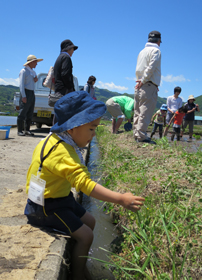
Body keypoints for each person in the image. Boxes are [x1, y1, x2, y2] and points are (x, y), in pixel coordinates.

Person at [24, 91, 145, 280]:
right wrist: (121, 199)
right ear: (72, 128)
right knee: (87, 236)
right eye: (91, 129)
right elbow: (85, 185)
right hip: (45, 206)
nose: (94, 134)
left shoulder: (58, 139)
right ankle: (78, 274)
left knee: (91, 221)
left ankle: (78, 257)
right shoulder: (63, 152)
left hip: (60, 196)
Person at [133, 31, 162, 145]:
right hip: (147, 83)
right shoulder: (156, 51)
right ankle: (141, 136)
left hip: (139, 84)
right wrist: (147, 80)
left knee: (138, 111)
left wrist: (141, 81)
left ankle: (136, 133)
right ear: (159, 41)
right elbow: (151, 68)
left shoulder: (142, 51)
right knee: (146, 110)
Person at [17, 55, 43, 136]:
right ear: (31, 62)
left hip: (31, 92)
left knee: (30, 112)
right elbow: (21, 84)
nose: (36, 64)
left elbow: (31, 83)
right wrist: (23, 96)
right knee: (23, 111)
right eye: (35, 62)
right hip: (26, 92)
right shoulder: (23, 71)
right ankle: (19, 130)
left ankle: (27, 129)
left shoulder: (32, 72)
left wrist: (35, 80)